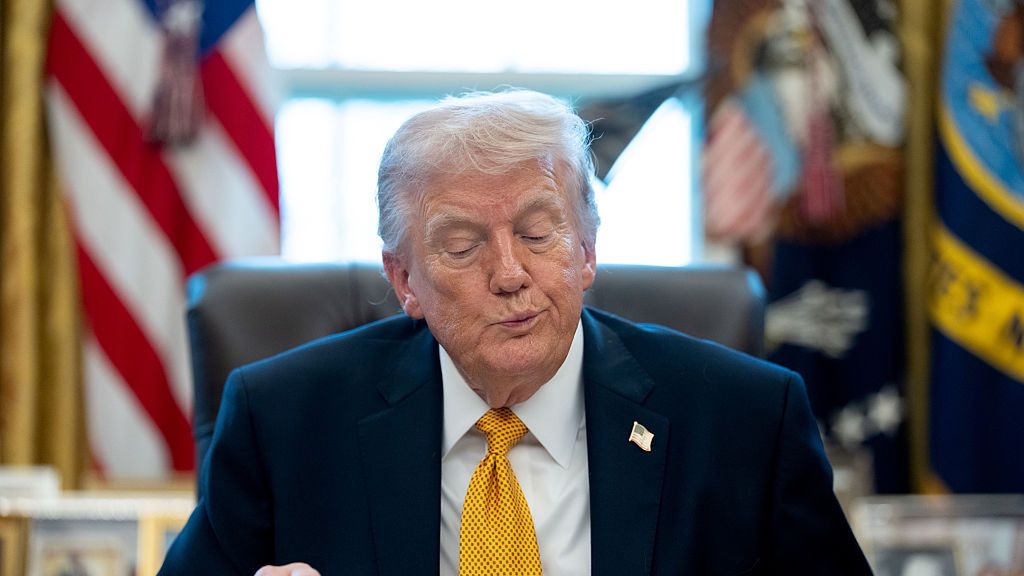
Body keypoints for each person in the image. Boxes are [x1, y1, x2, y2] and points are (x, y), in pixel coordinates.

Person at [159, 89, 872, 575]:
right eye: (462, 246)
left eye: (538, 234)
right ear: (404, 281)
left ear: (585, 251)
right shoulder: (283, 422)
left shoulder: (746, 420)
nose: (509, 274)